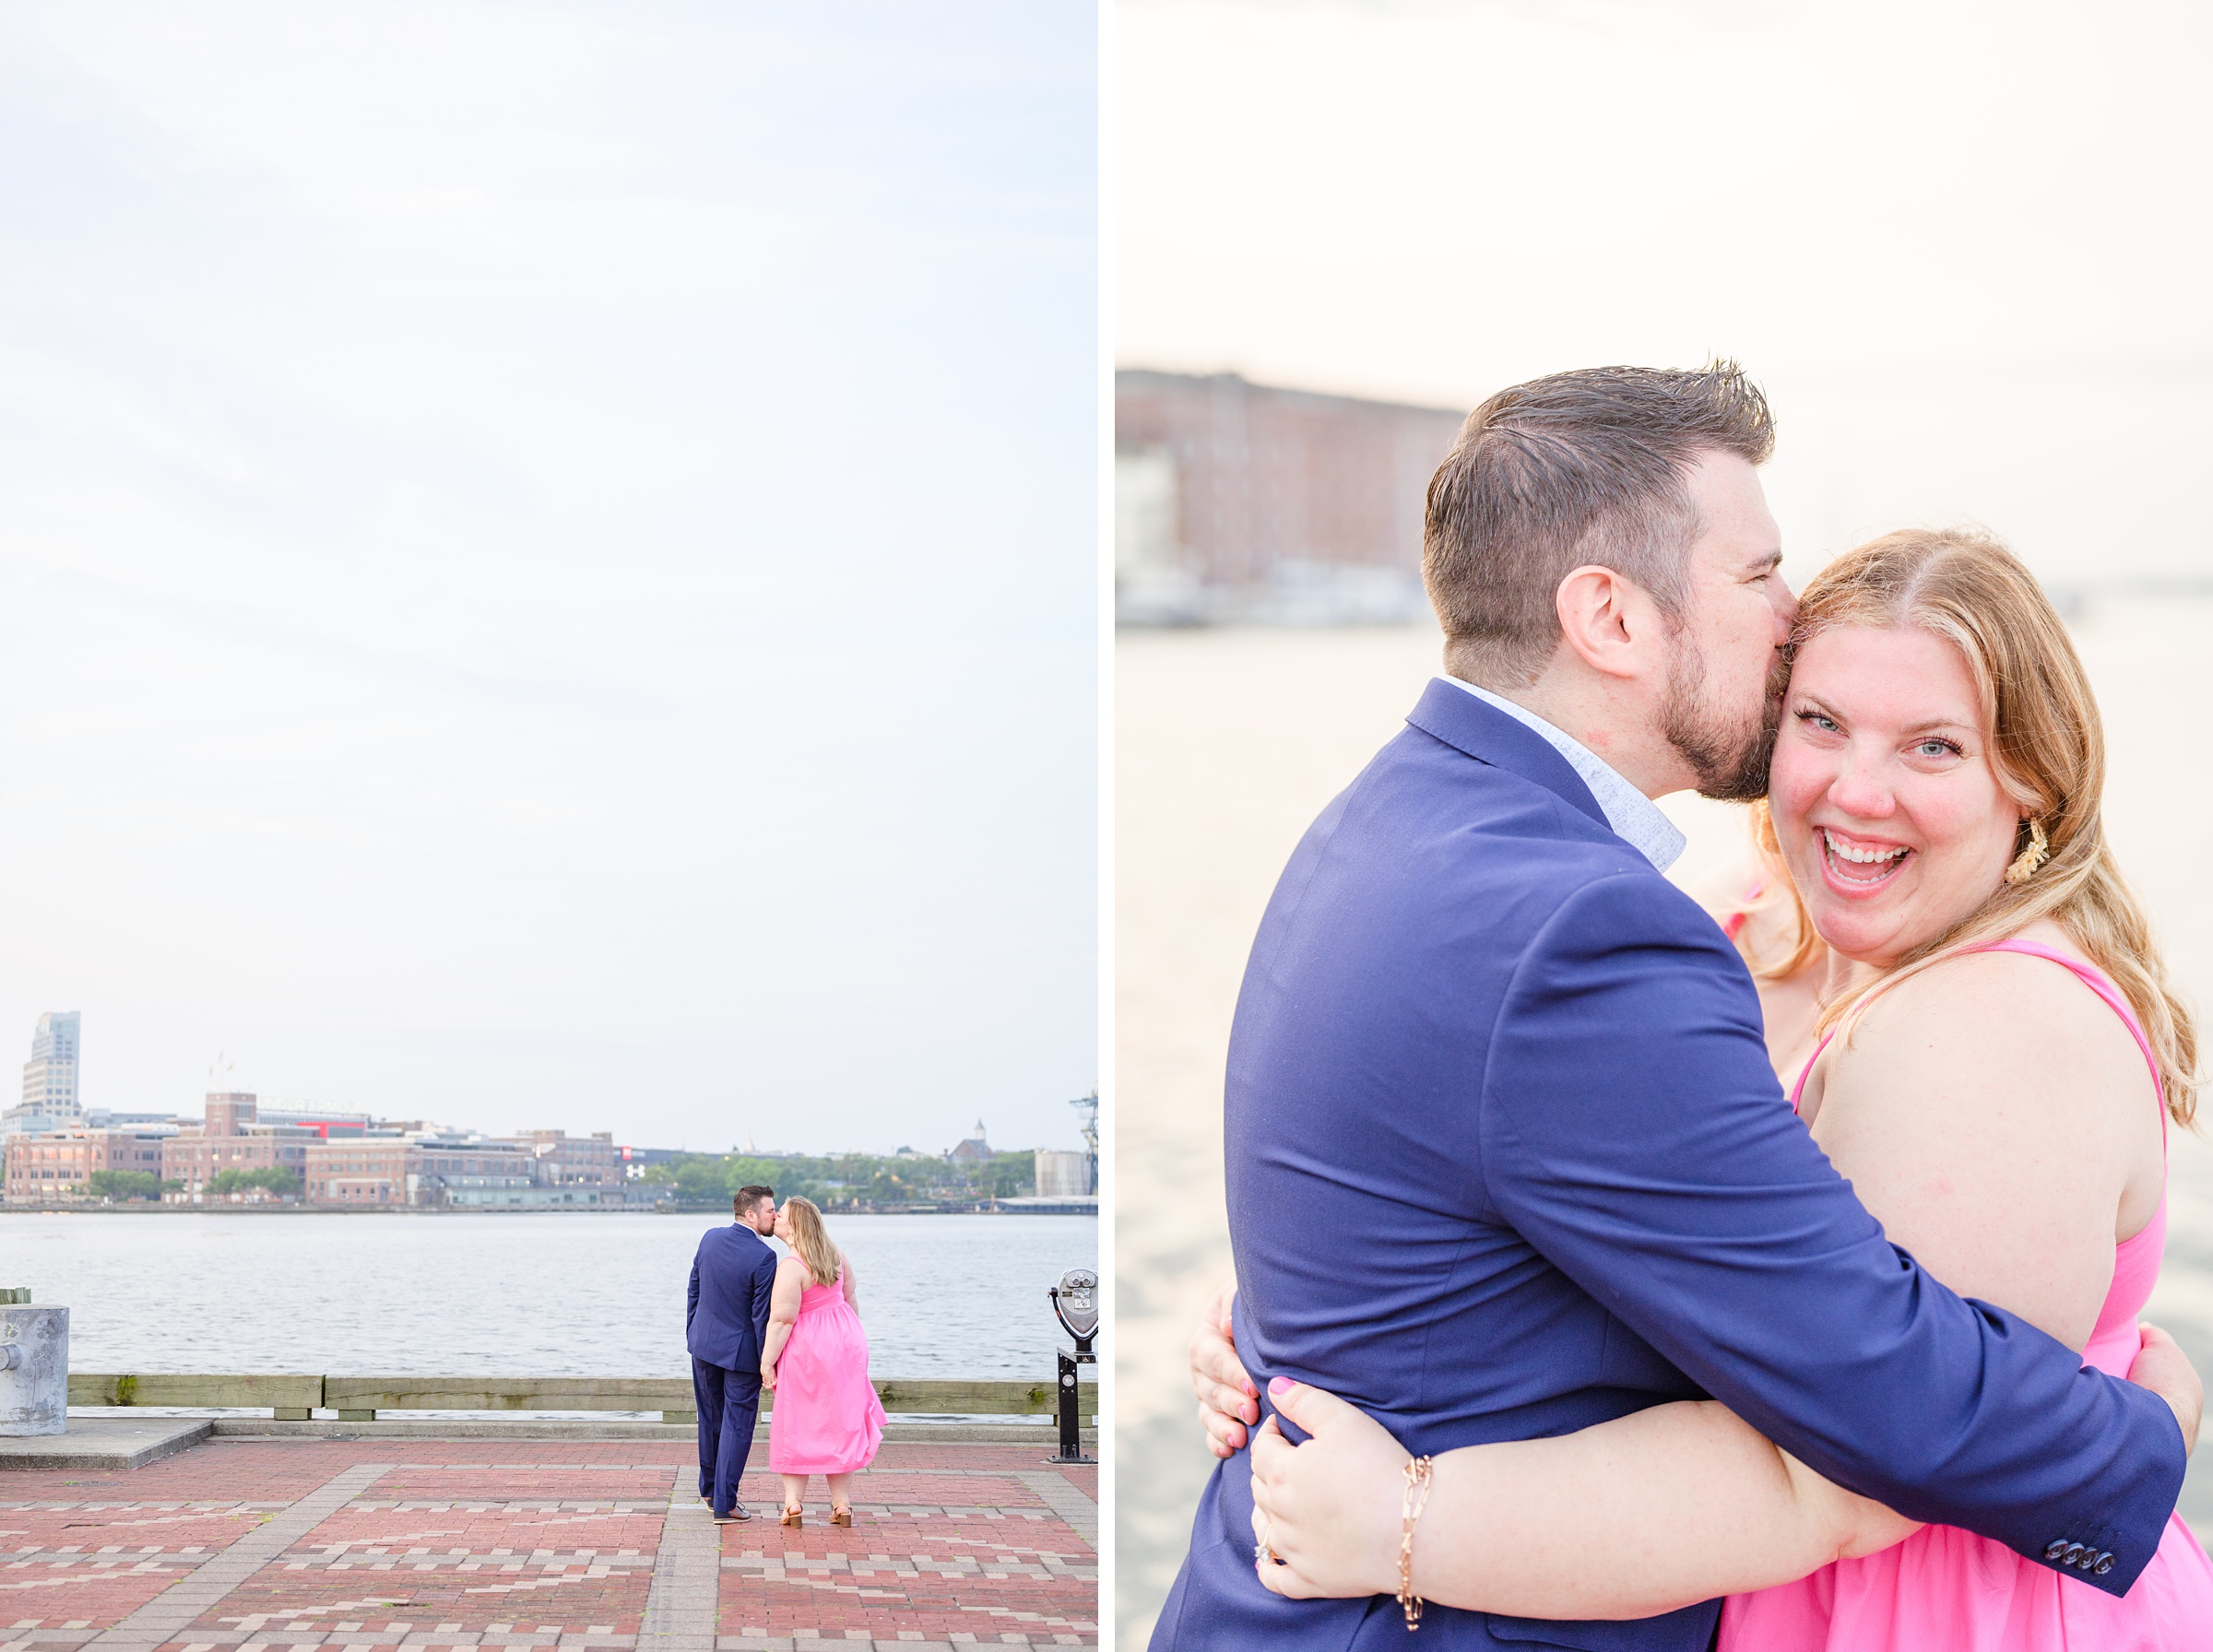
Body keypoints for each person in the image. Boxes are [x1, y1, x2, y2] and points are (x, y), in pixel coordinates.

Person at [1149, 364, 2201, 1652]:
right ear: (1611, 616)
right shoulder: (1590, 928)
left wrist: (1283, 1346)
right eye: (1759, 575)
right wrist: (2142, 1428)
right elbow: (1881, 1381)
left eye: (1932, 743)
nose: (1789, 607)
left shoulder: (1393, 820)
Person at [762, 1196, 886, 1527]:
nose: (776, 1218)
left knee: (797, 1421)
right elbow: (850, 1299)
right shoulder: (837, 1257)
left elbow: (782, 1320)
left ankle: (793, 1504)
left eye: (782, 1215)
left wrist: (766, 1361)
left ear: (794, 1227)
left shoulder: (791, 1266)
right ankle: (841, 1504)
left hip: (809, 1347)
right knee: (841, 1420)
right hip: (846, 1341)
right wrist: (852, 1342)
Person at [687, 1183, 781, 1523]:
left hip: (703, 1344)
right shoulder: (764, 1256)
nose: (776, 1215)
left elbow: (694, 1288)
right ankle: (726, 1503)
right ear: (751, 1214)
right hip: (742, 1355)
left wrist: (692, 1332)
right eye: (771, 1210)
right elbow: (761, 1317)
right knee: (737, 1426)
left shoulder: (710, 1237)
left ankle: (711, 1491)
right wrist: (766, 1362)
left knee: (710, 1420)